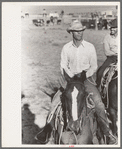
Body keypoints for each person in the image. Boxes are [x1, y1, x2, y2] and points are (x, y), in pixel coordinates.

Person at [35, 20, 116, 144]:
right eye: (77, 31)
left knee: (99, 104)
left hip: (86, 79)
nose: (80, 33)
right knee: (55, 102)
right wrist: (71, 77)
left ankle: (106, 133)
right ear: (71, 33)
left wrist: (84, 76)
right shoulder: (66, 48)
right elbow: (62, 65)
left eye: (81, 31)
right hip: (70, 80)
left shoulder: (90, 47)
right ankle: (47, 131)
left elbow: (93, 66)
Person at [96, 19, 118, 88]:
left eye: (114, 27)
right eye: (111, 27)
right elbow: (107, 52)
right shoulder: (107, 37)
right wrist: (117, 53)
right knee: (100, 72)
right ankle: (99, 88)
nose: (111, 29)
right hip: (111, 58)